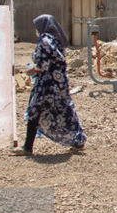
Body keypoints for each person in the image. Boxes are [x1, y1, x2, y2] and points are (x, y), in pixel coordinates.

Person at [21, 15, 87, 154]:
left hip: (47, 84)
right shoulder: (57, 40)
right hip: (60, 83)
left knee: (35, 110)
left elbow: (43, 65)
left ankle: (27, 147)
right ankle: (78, 141)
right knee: (66, 110)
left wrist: (32, 70)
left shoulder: (44, 40)